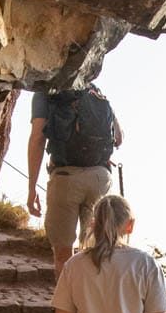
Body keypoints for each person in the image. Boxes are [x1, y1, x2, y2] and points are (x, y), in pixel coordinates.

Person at [27, 85, 123, 278]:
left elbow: (38, 138)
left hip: (65, 179)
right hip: (100, 179)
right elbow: (119, 138)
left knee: (63, 255)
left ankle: (67, 307)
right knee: (95, 249)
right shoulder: (94, 90)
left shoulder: (45, 91)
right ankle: (93, 305)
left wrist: (31, 188)